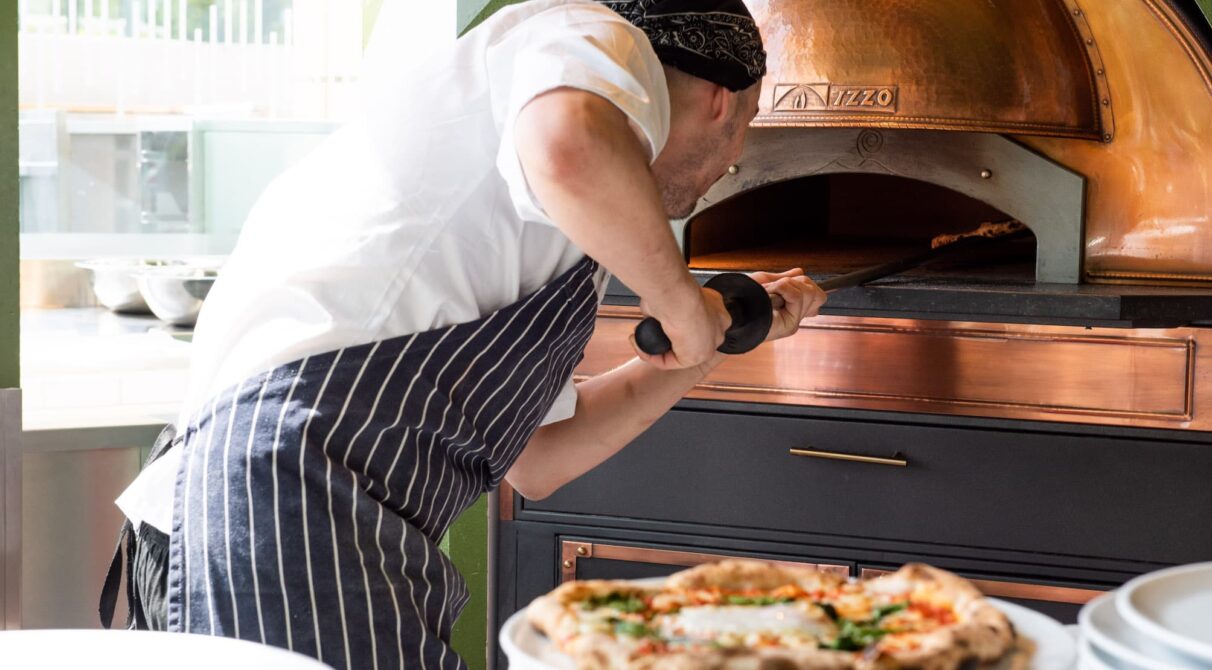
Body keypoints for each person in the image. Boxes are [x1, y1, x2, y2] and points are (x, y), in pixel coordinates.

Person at [106, 0, 827, 667]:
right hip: (285, 506)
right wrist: (679, 302)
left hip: (283, 517)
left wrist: (705, 343)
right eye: (743, 134)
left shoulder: (527, 214)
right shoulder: (596, 37)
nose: (729, 167)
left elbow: (539, 457)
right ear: (720, 100)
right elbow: (570, 147)